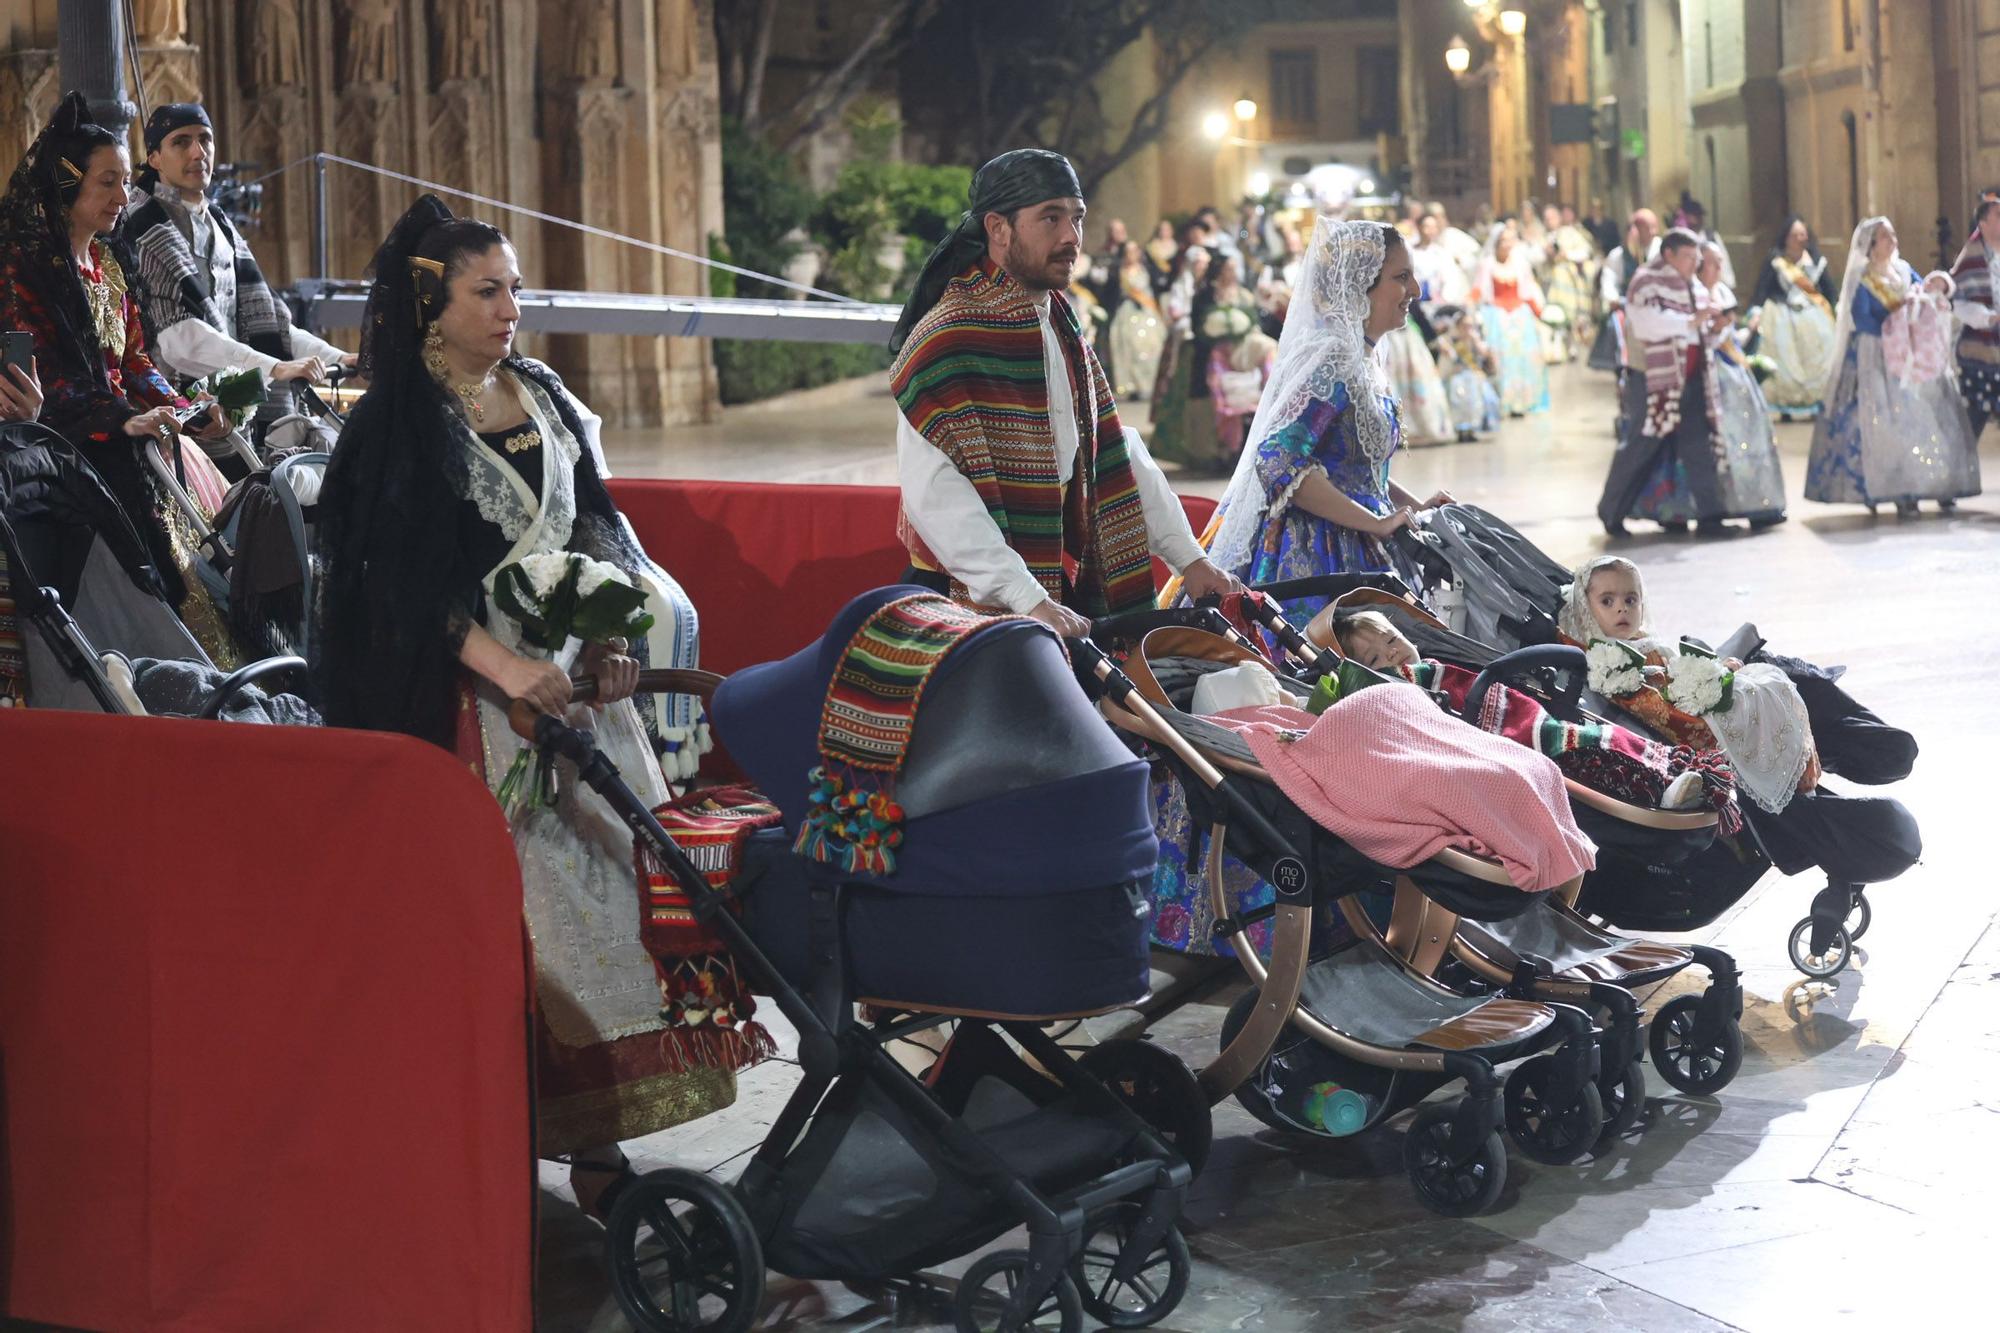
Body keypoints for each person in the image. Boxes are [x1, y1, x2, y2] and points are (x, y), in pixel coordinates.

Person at [314, 194, 734, 1216]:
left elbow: (594, 528)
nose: (510, 309)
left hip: (574, 703)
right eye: (486, 291)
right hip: (471, 713)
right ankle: (492, 1132)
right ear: (430, 305)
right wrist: (502, 669)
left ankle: (598, 1146)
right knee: (522, 928)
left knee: (614, 903)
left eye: (515, 290)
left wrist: (605, 641)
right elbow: (393, 588)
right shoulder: (395, 427)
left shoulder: (538, 392)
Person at [886, 149, 1241, 635]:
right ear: (998, 228)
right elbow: (938, 498)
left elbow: (1110, 449)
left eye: (1076, 218)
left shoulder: (1058, 322)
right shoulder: (948, 340)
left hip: (1045, 598)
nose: (1071, 238)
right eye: (1050, 218)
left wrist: (1189, 559)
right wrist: (1026, 598)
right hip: (958, 606)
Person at [0, 90, 238, 666]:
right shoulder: (21, 268)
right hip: (56, 434)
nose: (122, 196)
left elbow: (134, 362)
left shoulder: (107, 263)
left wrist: (179, 406)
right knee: (134, 465)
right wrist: (123, 419)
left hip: (115, 426)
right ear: (67, 185)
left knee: (187, 451)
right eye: (107, 181)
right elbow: (43, 380)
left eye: (126, 181)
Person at [1555, 557, 1921, 922]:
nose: (1622, 608)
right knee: (1769, 694)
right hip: (1693, 727)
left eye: (1630, 599)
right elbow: (1666, 712)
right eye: (1607, 601)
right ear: (1586, 610)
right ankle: (1855, 787)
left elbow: (1677, 673)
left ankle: (1859, 754)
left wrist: (1718, 671)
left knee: (1775, 679)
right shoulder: (1606, 663)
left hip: (1704, 701)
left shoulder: (1643, 644)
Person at [1200, 218, 1453, 631]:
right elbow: (1278, 460)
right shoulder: (1332, 360)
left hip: (1363, 535)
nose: (1415, 292)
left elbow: (1356, 467)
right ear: (1360, 284)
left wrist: (1413, 507)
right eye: (1401, 277)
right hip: (1315, 550)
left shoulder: (1366, 356)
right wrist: (1373, 523)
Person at [1330, 608, 1733, 817]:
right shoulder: (1401, 687)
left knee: (1599, 736)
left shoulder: (1435, 664)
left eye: (1393, 640)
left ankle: (1672, 767)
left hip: (1534, 723)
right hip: (1511, 743)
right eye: (1375, 659)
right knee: (1589, 758)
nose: (1393, 655)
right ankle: (1660, 786)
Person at [118, 103, 355, 448]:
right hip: (177, 421)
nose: (198, 152)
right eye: (181, 142)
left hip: (237, 419)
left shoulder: (220, 222)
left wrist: (336, 358)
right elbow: (178, 340)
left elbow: (269, 321)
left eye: (205, 140)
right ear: (154, 158)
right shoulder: (143, 225)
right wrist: (273, 368)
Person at [1807, 216, 1981, 515]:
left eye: (1893, 235)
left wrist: (1928, 300)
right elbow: (1862, 319)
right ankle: (1895, 488)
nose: (1893, 240)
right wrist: (1896, 323)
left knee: (1927, 416)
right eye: (1886, 237)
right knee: (1884, 422)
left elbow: (1922, 291)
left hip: (1911, 354)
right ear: (1872, 246)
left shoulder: (1903, 270)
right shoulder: (1862, 280)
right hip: (1877, 356)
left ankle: (1935, 483)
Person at [1597, 229, 1733, 536]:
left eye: (1696, 259)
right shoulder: (1646, 282)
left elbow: (1699, 332)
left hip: (1693, 377)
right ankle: (1611, 511)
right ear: (1669, 254)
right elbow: (1647, 325)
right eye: (1688, 257)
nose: (1693, 264)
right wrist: (1691, 321)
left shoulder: (1692, 285)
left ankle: (1712, 516)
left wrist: (1715, 327)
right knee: (1641, 446)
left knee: (1699, 446)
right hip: (1653, 379)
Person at [1696, 241, 1787, 526]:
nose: (1717, 268)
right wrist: (1715, 330)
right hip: (1712, 376)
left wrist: (1746, 331)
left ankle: (1759, 503)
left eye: (1720, 262)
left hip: (1735, 373)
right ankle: (1725, 505)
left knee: (1752, 434)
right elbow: (1697, 340)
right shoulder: (1695, 294)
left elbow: (1732, 339)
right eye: (1711, 262)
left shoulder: (1722, 291)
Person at [1745, 215, 1839, 418]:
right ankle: (1786, 406)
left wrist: (1837, 310)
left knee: (1817, 359)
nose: (1799, 238)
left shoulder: (1815, 261)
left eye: (1802, 234)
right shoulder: (1776, 261)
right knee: (1785, 362)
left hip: (1812, 316)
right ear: (1786, 238)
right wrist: (1755, 312)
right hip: (1782, 314)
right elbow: (1762, 290)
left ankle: (1815, 401)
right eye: (1795, 235)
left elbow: (1830, 291)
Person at [1196, 254, 1271, 463]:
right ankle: (1228, 446)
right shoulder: (1208, 295)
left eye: (1235, 268)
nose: (1233, 273)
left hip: (1244, 351)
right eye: (1229, 268)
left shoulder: (1243, 295)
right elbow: (1199, 327)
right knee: (1218, 384)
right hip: (1219, 353)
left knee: (1267, 351)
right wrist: (1219, 334)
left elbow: (1253, 321)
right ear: (1220, 271)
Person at [1470, 221, 1550, 416]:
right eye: (1503, 240)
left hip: (1519, 315)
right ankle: (1503, 401)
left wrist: (1540, 313)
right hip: (1497, 316)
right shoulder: (1488, 264)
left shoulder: (1520, 263)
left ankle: (1522, 401)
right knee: (1502, 359)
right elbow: (1478, 289)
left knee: (1522, 359)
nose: (1507, 244)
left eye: (1510, 240)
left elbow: (1528, 290)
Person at [1948, 197, 2000, 440]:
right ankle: (1960, 470)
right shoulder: (1971, 256)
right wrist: (1988, 318)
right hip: (1981, 349)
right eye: (1998, 215)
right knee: (1974, 418)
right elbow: (1957, 302)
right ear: (1983, 223)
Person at [1589, 208, 1660, 373]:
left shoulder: (1661, 251)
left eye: (1645, 226)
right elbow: (1609, 279)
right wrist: (1613, 298)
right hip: (1627, 306)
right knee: (1617, 327)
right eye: (1637, 226)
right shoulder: (1620, 255)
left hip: (1654, 307)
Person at [1107, 239, 1164, 401]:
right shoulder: (1118, 272)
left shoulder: (1147, 270)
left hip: (1146, 314)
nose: (1132, 255)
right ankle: (1130, 385)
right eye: (1128, 252)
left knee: (1149, 346)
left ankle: (1147, 386)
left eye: (1134, 251)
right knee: (1127, 346)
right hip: (1126, 313)